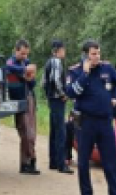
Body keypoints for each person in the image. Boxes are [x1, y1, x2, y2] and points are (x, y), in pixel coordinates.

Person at [65, 40, 116, 195]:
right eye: (93, 54)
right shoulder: (75, 71)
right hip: (85, 121)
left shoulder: (107, 68)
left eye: (98, 53)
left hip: (105, 121)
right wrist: (85, 74)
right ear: (85, 55)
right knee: (83, 160)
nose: (97, 57)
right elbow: (72, 92)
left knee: (111, 159)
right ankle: (87, 194)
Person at [5, 39, 40, 174]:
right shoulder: (12, 62)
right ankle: (28, 161)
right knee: (25, 132)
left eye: (26, 54)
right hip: (18, 100)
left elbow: (32, 83)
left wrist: (30, 78)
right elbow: (8, 68)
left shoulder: (26, 62)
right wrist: (24, 70)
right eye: (22, 53)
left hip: (28, 98)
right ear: (16, 50)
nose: (25, 57)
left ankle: (29, 162)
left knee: (31, 133)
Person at [43, 40, 73, 173]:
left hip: (51, 99)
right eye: (63, 50)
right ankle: (61, 164)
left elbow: (44, 82)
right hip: (57, 99)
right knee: (61, 132)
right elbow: (55, 79)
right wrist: (62, 94)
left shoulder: (48, 62)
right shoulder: (56, 62)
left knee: (54, 131)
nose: (64, 52)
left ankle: (53, 161)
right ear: (59, 50)